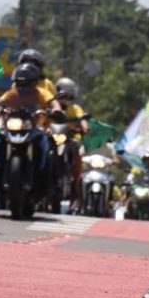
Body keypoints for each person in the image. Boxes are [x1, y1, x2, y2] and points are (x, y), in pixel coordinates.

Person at [0, 62, 64, 194]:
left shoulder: (42, 93)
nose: (23, 88)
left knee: (45, 146)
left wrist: (56, 111)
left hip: (35, 129)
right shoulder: (12, 93)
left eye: (26, 84)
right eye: (20, 84)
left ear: (34, 83)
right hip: (11, 129)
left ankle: (42, 178)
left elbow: (54, 104)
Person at [55, 76, 88, 209]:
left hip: (71, 141)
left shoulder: (75, 109)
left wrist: (84, 127)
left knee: (78, 151)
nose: (65, 96)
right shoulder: (52, 105)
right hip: (54, 139)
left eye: (68, 94)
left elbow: (82, 120)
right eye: (62, 92)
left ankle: (75, 185)